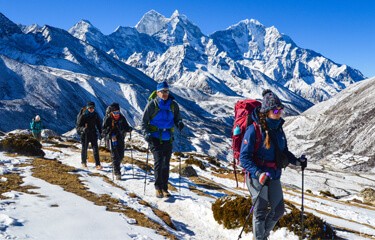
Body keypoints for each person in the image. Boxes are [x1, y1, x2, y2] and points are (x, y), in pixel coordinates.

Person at [239, 89, 307, 240]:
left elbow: (283, 152)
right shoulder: (254, 130)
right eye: (276, 109)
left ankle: (262, 236)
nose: (279, 112)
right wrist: (258, 173)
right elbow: (244, 158)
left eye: (281, 109)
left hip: (274, 174)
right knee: (260, 211)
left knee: (278, 210)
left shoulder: (278, 128)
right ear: (267, 111)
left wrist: (297, 161)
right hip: (257, 176)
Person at [141, 81, 184, 198]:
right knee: (159, 162)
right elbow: (144, 122)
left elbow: (177, 118)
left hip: (168, 138)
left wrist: (179, 123)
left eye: (167, 91)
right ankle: (158, 187)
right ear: (157, 92)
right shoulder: (152, 105)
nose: (165, 93)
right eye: (163, 91)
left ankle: (165, 188)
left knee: (166, 164)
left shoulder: (173, 105)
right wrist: (146, 134)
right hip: (154, 137)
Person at [102, 103, 133, 180]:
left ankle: (116, 166)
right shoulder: (108, 119)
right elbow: (103, 130)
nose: (117, 114)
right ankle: (117, 173)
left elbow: (125, 126)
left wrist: (129, 129)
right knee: (115, 155)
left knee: (121, 155)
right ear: (111, 112)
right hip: (112, 138)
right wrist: (109, 135)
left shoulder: (122, 118)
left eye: (118, 112)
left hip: (120, 137)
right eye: (115, 112)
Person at [76, 101, 102, 169]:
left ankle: (98, 164)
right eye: (90, 108)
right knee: (84, 149)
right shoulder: (83, 115)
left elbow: (99, 125)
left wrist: (101, 132)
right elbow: (78, 127)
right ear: (87, 108)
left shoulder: (95, 115)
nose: (91, 109)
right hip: (85, 134)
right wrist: (83, 129)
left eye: (92, 108)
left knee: (95, 149)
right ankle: (84, 162)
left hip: (93, 133)